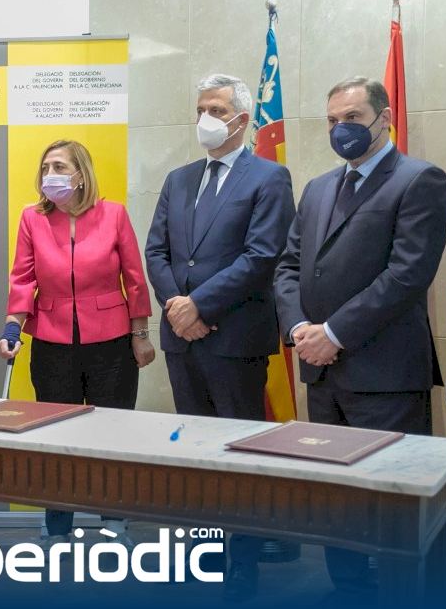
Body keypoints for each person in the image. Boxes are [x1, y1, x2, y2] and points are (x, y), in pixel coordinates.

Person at [273, 76, 446, 603]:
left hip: (385, 374)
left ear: (384, 118)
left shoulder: (419, 180)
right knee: (336, 495)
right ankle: (347, 590)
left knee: (392, 500)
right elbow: (288, 266)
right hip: (321, 370)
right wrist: (299, 329)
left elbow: (408, 273)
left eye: (352, 118)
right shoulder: (318, 187)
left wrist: (335, 332)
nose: (340, 129)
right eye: (332, 120)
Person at [143, 73, 294, 601]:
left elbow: (262, 256)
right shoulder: (178, 179)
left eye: (216, 110)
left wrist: (200, 306)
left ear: (242, 120)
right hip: (182, 339)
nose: (205, 118)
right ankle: (202, 557)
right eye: (201, 109)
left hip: (234, 340)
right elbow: (156, 252)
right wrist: (176, 307)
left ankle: (243, 565)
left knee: (238, 456)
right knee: (195, 453)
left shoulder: (269, 178)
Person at [0, 139, 154, 547]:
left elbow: (135, 279)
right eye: (45, 167)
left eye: (59, 167)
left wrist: (140, 336)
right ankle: (57, 527)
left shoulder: (113, 214)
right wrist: (12, 328)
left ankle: (114, 520)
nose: (50, 175)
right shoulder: (32, 218)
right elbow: (22, 279)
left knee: (112, 432)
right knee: (55, 436)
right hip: (52, 342)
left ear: (81, 175)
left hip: (111, 342)